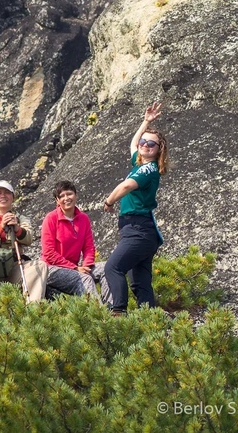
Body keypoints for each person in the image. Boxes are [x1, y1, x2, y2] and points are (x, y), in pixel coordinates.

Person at [103, 102, 169, 315]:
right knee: (140, 282)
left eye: (152, 143)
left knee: (113, 268)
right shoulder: (140, 165)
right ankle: (151, 321)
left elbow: (126, 186)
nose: (146, 144)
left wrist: (109, 201)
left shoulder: (149, 169)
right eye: (144, 141)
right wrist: (146, 122)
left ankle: (119, 311)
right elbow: (133, 145)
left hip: (138, 230)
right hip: (142, 231)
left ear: (159, 151)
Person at [41, 180, 110, 303]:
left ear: (76, 195)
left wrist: (86, 266)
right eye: (61, 196)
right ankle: (99, 317)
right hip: (52, 269)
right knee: (85, 279)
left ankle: (114, 310)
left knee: (108, 267)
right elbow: (48, 253)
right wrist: (75, 268)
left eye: (69, 194)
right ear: (57, 201)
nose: (66, 198)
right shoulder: (51, 218)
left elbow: (89, 247)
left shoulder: (83, 218)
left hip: (76, 268)